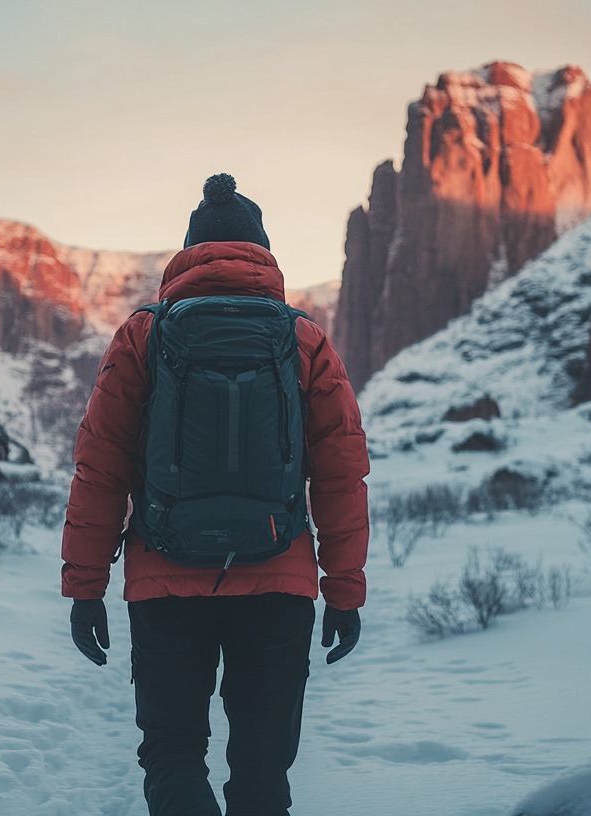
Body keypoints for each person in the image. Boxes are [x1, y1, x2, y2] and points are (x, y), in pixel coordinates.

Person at [61, 173, 371, 816]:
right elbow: (341, 473)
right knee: (262, 773)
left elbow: (99, 468)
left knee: (173, 755)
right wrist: (343, 590)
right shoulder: (304, 337)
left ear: (188, 253)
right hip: (279, 578)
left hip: (164, 582)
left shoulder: (142, 336)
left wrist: (85, 587)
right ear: (263, 253)